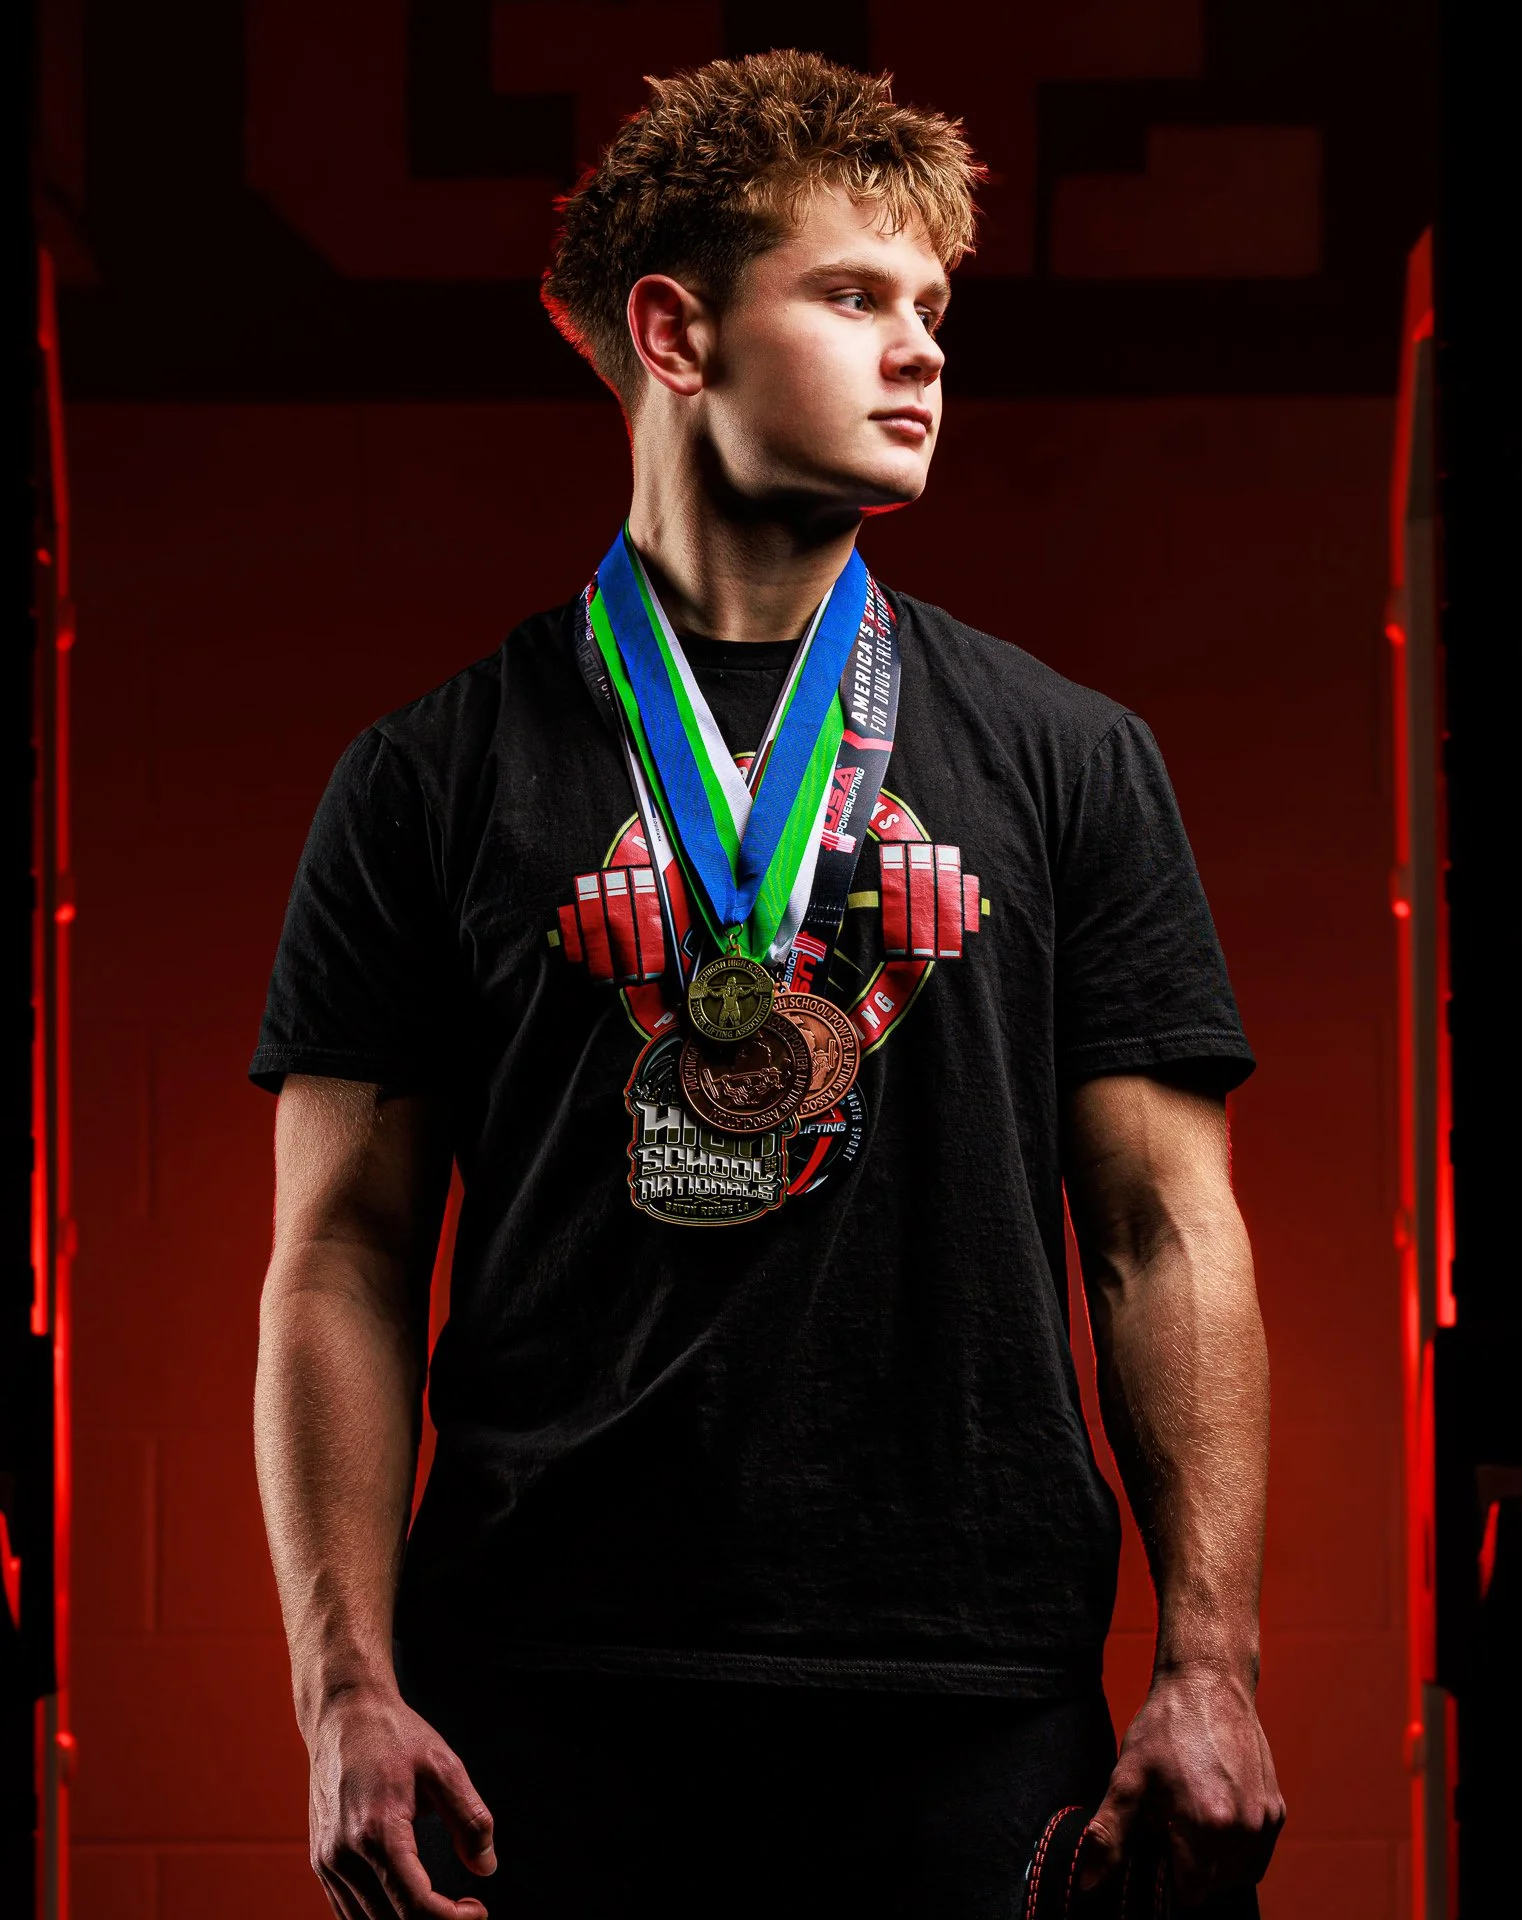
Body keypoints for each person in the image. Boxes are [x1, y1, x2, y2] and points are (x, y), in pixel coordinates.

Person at [252, 49, 1284, 1920]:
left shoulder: (1073, 758)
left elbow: (1164, 1229)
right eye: (853, 294)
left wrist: (1213, 1660)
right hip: (541, 1707)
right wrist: (347, 1689)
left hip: (969, 1697)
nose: (923, 352)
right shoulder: (427, 777)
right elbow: (339, 1254)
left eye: (934, 309)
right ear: (676, 331)